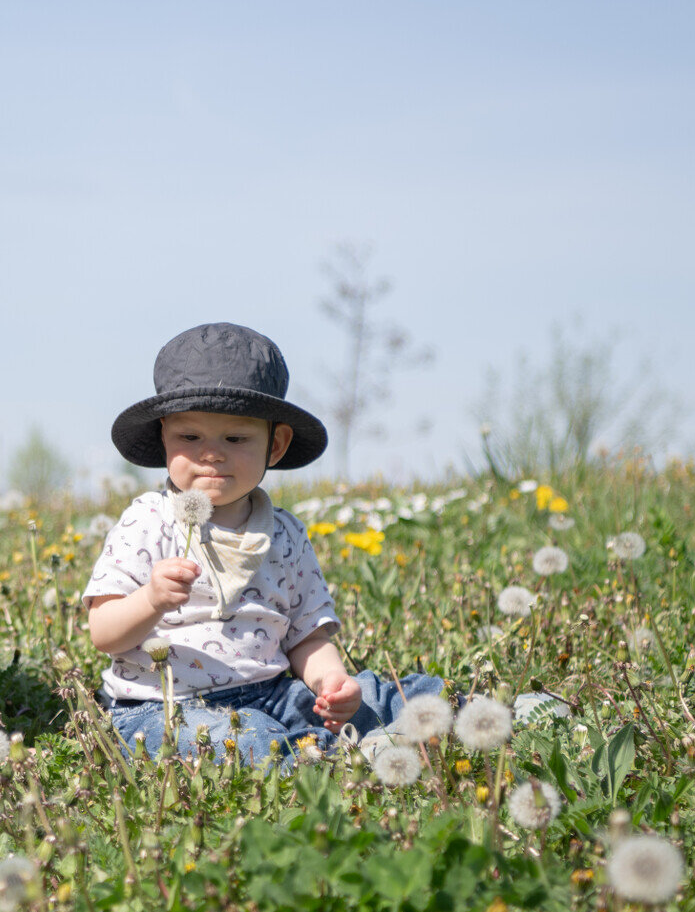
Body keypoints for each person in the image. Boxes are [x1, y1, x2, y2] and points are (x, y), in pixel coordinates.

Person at [83, 322, 442, 764]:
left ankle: (465, 710)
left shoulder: (285, 534)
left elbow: (306, 636)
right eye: (189, 437)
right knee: (252, 740)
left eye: (235, 438)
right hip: (163, 708)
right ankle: (343, 759)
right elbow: (104, 632)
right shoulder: (148, 520)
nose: (211, 453)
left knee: (376, 696)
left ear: (276, 445)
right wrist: (151, 599)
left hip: (273, 691)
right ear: (163, 435)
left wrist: (332, 682)